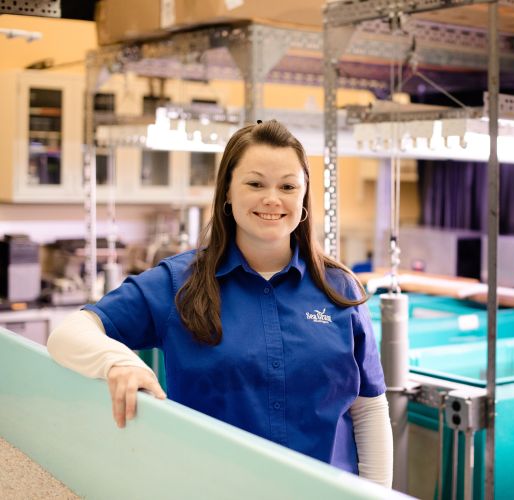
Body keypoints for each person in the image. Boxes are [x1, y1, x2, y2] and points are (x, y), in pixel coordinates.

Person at [47, 120, 393, 487]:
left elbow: (369, 410)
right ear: (228, 191)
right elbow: (68, 333)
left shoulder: (339, 289)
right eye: (255, 183)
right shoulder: (179, 284)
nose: (272, 199)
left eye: (288, 186)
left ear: (303, 196)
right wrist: (116, 363)